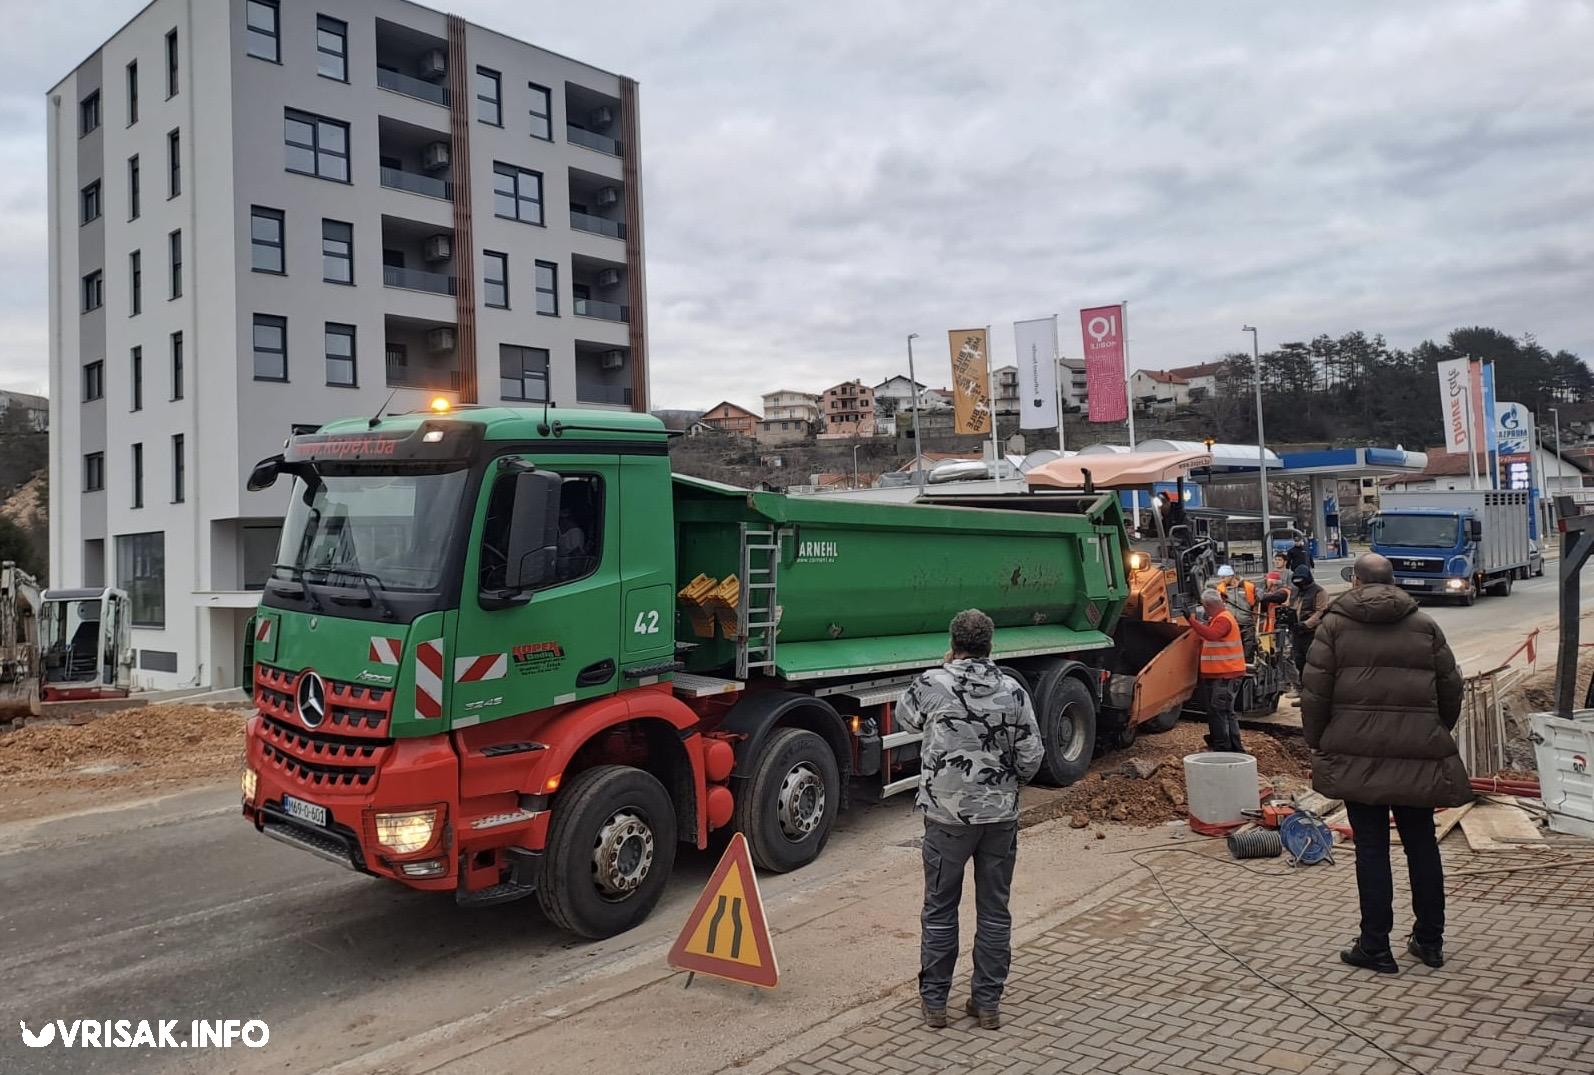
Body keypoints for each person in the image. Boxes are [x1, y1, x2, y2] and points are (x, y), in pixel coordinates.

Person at [1301, 553, 1468, 973]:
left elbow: (1314, 694)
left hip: (1357, 759)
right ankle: (1429, 941)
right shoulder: (1424, 625)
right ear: (1393, 582)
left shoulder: (1334, 627)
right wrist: (1430, 730)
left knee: (1371, 849)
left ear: (1355, 581)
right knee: (1422, 845)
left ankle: (1375, 945)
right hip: (1417, 755)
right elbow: (1451, 689)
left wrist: (1320, 743)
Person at [897, 610, 1042, 1031]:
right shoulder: (1013, 690)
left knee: (940, 910)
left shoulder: (931, 683)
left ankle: (936, 1004)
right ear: (990, 644)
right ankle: (988, 1003)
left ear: (953, 641)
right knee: (995, 911)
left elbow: (906, 720)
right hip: (999, 818)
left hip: (946, 819)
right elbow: (1032, 759)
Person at [1187, 588, 1246, 752]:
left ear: (1208, 605)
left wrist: (1191, 621)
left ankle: (1224, 748)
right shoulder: (1219, 618)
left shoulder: (1222, 620)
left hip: (1225, 675)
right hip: (1222, 674)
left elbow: (1212, 635)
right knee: (1223, 711)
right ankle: (1231, 747)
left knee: (1220, 712)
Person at [1287, 566, 1331, 692]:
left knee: (1312, 662)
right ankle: (1302, 690)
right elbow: (1292, 606)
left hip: (1312, 634)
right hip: (1297, 633)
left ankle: (1314, 690)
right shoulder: (1296, 591)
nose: (1299, 584)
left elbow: (1321, 611)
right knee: (1298, 661)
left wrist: (1306, 624)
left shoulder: (1319, 592)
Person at [1214, 565, 1258, 660]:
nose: (1221, 580)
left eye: (1223, 577)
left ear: (1231, 576)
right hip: (1231, 625)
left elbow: (1256, 604)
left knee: (1248, 650)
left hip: (1247, 624)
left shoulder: (1248, 587)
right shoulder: (1220, 589)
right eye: (1220, 577)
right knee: (1233, 652)